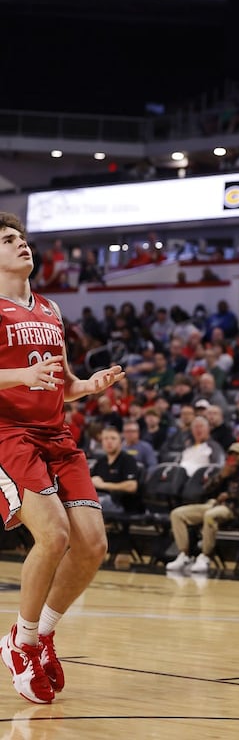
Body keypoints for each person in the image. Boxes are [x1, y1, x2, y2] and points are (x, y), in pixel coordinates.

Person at [0, 212, 125, 704]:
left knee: (92, 545)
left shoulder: (50, 309)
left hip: (57, 434)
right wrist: (19, 380)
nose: (22, 245)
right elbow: (24, 379)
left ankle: (44, 633)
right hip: (10, 435)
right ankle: (21, 642)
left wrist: (88, 386)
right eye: (9, 240)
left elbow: (63, 382)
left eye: (23, 238)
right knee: (53, 535)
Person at [165, 442, 239, 575]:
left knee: (210, 515)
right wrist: (221, 477)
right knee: (177, 514)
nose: (234, 457)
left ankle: (205, 556)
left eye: (237, 454)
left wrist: (230, 495)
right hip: (213, 504)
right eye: (231, 454)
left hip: (235, 509)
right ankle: (184, 554)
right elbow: (205, 490)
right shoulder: (226, 470)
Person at [91, 426, 143, 514]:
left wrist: (103, 485)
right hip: (101, 499)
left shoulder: (127, 459)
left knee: (93, 504)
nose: (109, 441)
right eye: (105, 439)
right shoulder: (100, 462)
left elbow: (132, 486)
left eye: (113, 438)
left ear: (120, 442)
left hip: (122, 504)